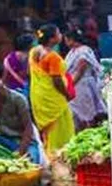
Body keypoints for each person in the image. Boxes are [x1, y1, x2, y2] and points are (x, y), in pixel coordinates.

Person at [0, 61, 39, 162]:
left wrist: (21, 153)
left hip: (23, 142)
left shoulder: (18, 98)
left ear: (0, 78)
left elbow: (28, 128)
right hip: (3, 141)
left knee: (32, 162)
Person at [29, 24, 74, 157]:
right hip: (54, 98)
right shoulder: (52, 57)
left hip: (39, 96)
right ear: (52, 39)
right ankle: (58, 157)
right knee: (61, 130)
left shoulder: (34, 51)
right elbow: (56, 80)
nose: (61, 35)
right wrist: (66, 94)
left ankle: (49, 155)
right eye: (58, 33)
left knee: (47, 131)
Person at [64, 28, 105, 130]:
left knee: (86, 113)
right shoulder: (72, 52)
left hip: (82, 85)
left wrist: (69, 86)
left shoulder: (84, 51)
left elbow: (80, 71)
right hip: (74, 85)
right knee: (76, 113)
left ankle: (90, 131)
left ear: (71, 39)